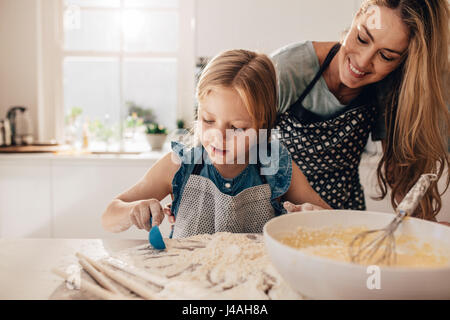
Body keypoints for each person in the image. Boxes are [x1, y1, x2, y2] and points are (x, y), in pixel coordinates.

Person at [101, 49, 331, 238]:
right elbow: (109, 216)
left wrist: (314, 217)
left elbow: (335, 222)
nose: (218, 137)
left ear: (263, 126)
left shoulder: (277, 166)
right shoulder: (179, 164)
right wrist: (133, 209)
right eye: (208, 120)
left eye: (237, 128)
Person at [271, 0, 449, 221]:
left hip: (345, 212)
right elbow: (252, 149)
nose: (363, 62)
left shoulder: (389, 89)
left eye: (386, 56)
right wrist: (323, 214)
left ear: (404, 62)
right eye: (362, 38)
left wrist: (428, 228)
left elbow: (400, 175)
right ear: (357, 16)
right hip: (284, 211)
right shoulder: (289, 68)